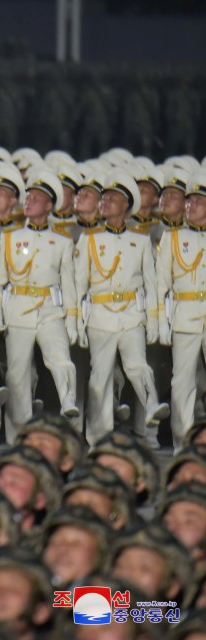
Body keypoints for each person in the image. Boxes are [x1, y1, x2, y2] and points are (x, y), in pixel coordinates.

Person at [75, 169, 168, 445]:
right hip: (100, 316)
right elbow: (80, 285)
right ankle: (98, 438)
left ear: (127, 205)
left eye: (113, 199)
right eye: (104, 199)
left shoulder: (140, 240)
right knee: (99, 377)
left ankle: (151, 405)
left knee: (137, 365)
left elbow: (151, 284)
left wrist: (153, 321)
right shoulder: (89, 238)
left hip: (131, 314)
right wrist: (78, 322)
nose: (105, 203)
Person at [0, 169, 79, 433]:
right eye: (27, 197)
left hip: (50, 310)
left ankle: (69, 401)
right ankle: (20, 432)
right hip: (18, 310)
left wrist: (72, 319)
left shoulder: (62, 241)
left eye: (37, 198)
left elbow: (69, 284)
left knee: (61, 359)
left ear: (50, 205)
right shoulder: (10, 238)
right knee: (17, 375)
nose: (29, 202)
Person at [158, 171, 206, 450]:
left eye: (198, 202)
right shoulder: (172, 238)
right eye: (189, 201)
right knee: (182, 383)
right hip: (184, 314)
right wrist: (163, 321)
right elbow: (161, 284)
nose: (190, 206)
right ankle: (182, 444)